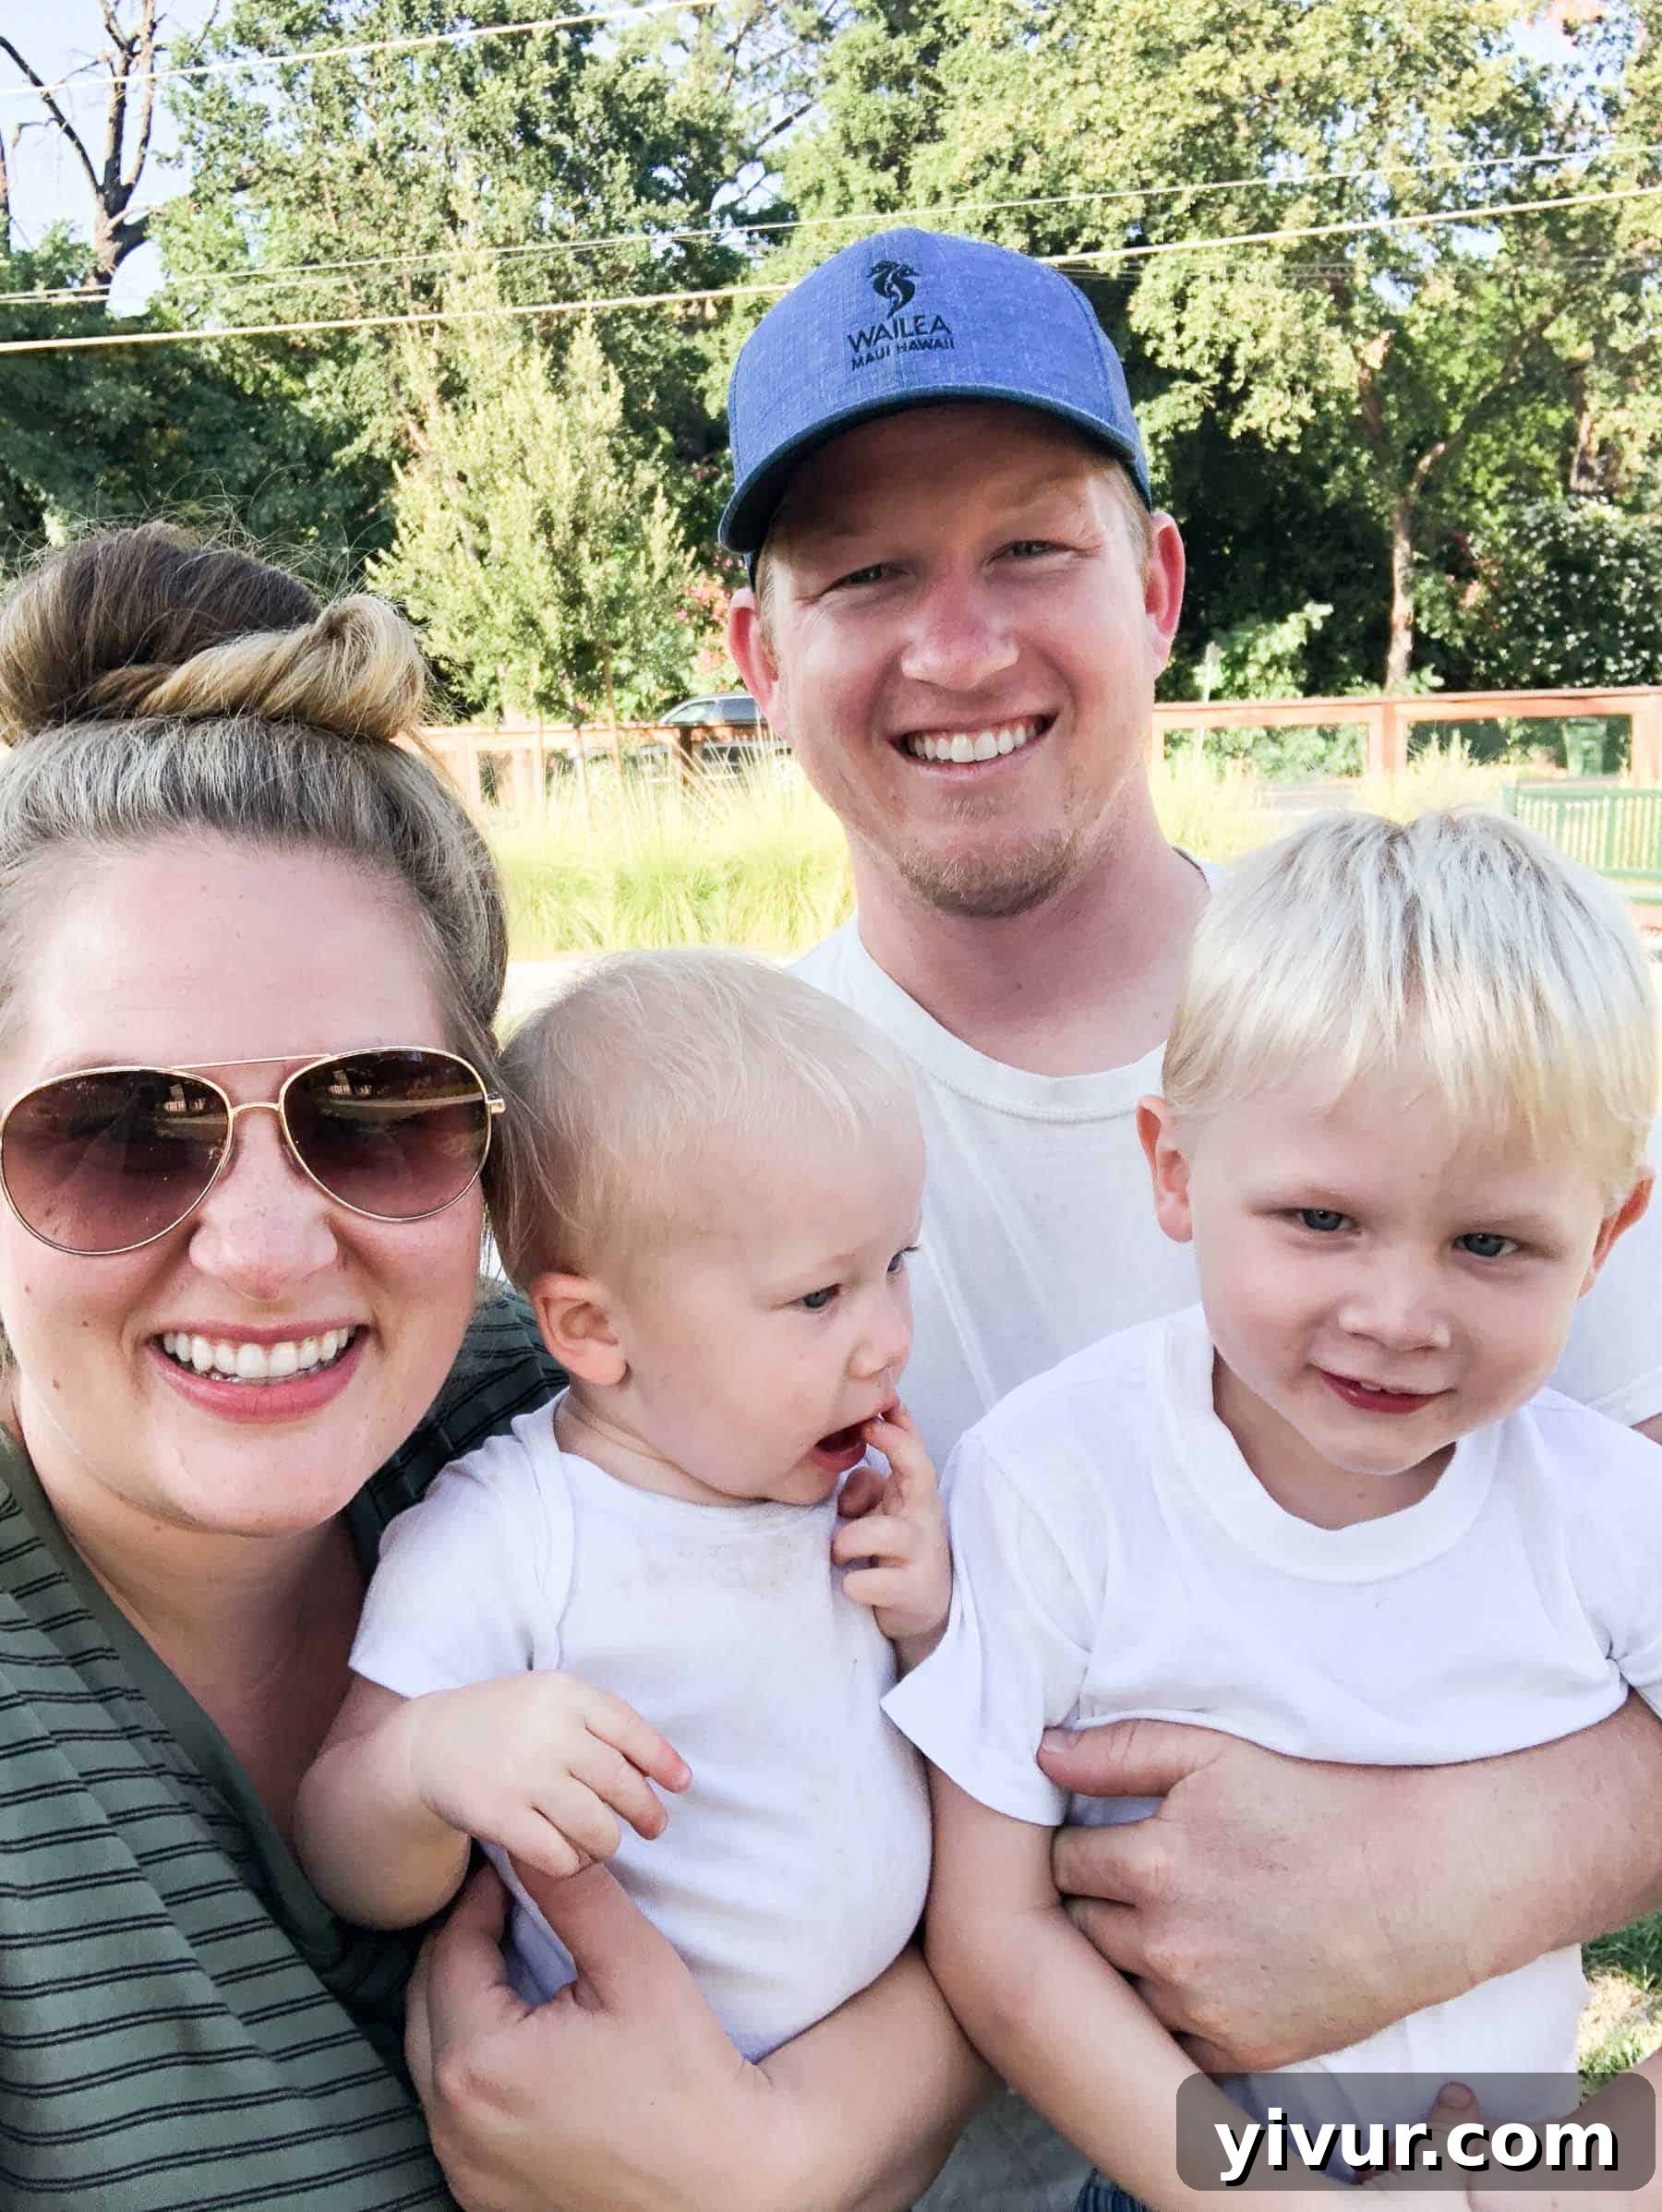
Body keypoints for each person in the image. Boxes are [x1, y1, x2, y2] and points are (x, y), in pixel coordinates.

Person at [718, 224, 1662, 2210]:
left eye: (1028, 550)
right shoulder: (703, 1138)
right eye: (865, 573)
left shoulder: (1470, 1062)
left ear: (1157, 582)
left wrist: (1455, 1882)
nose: (956, 647)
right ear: (755, 656)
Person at [0, 526, 983, 2210]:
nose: (266, 1244)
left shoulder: (567, 1409)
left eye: (374, 1114)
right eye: (118, 1129)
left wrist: (788, 2155)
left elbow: (1069, 1863)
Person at [885, 806, 1662, 2212]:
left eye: (1491, 1243)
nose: (1397, 1315)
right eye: (1321, 1221)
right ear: (1174, 1169)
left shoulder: (1612, 1514)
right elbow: (993, 1933)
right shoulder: (1058, 1483)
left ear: (1607, 1234)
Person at [295, 949, 955, 2064]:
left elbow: (954, 1733)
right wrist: (428, 1762)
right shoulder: (510, 1534)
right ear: (595, 1330)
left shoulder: (840, 1481)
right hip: (637, 2118)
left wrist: (931, 1614)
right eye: (818, 1294)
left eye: (898, 1263)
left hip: (884, 2081)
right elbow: (340, 1848)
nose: (888, 1334)